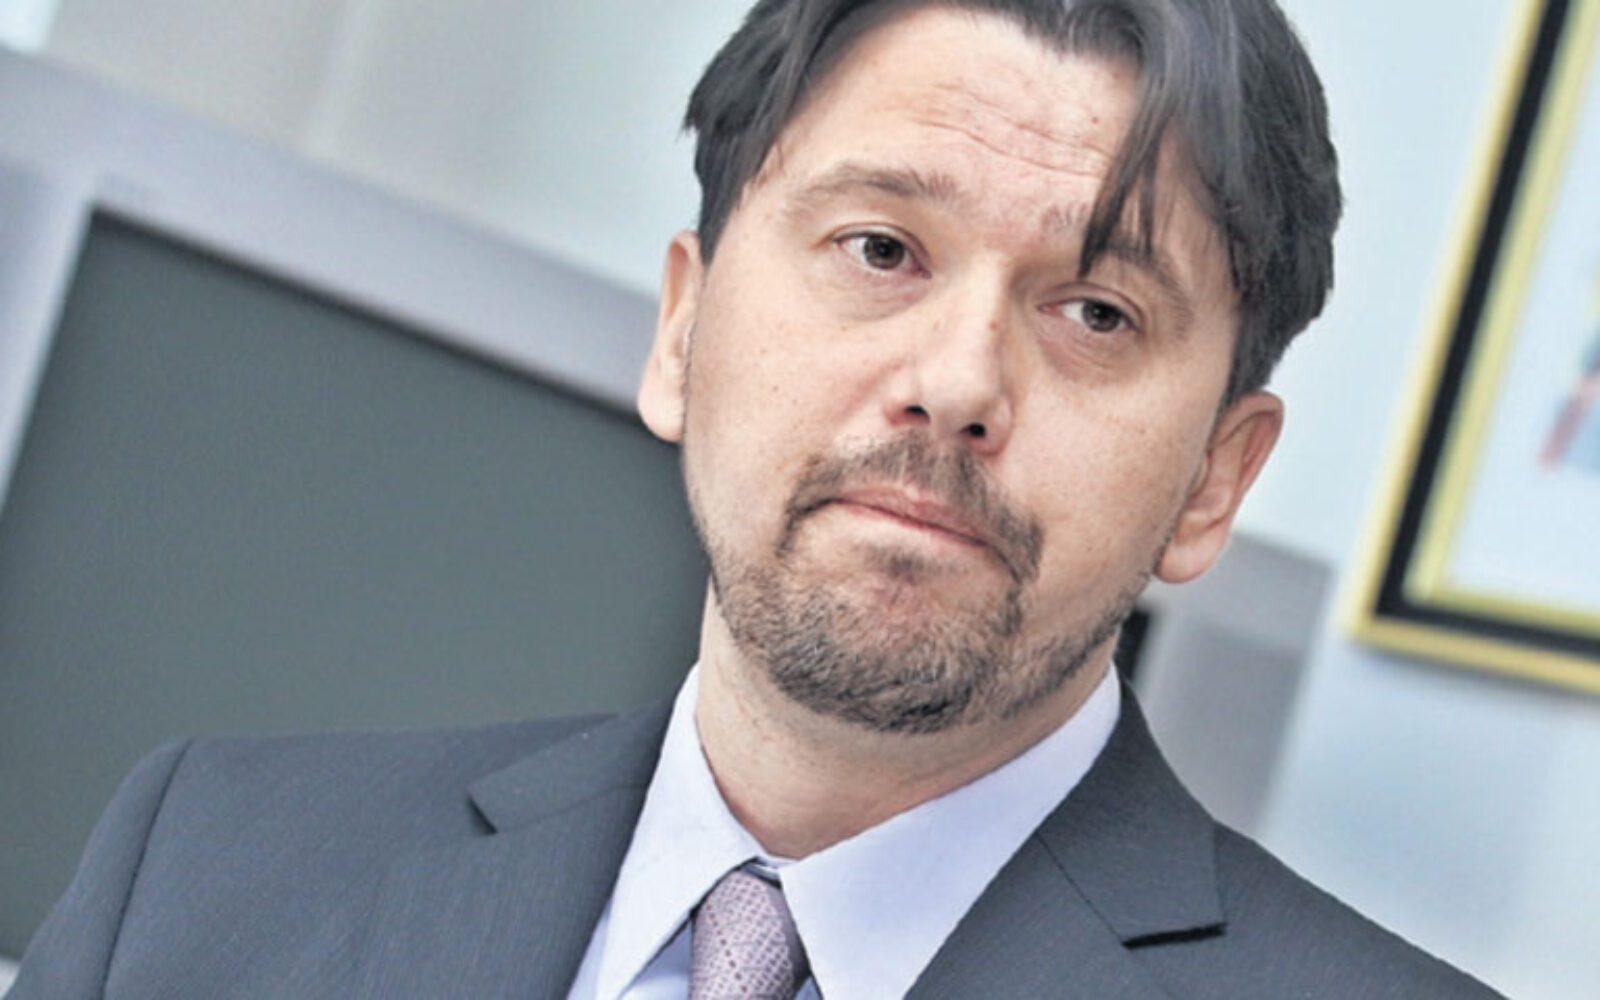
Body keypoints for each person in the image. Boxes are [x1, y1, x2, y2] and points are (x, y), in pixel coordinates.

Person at [15, 0, 1503, 997]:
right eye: (880, 249)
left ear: (1214, 481)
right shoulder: (202, 864)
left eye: (1097, 313)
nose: (957, 383)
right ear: (682, 328)